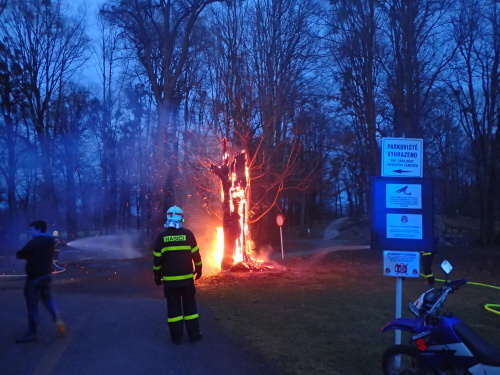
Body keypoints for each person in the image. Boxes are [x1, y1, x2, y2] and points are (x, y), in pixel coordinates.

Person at [153, 206, 203, 344]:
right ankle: (194, 335)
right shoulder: (188, 234)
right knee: (190, 306)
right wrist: (199, 269)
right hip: (187, 280)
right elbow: (196, 254)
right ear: (181, 217)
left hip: (170, 282)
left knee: (173, 307)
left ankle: (176, 337)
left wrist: (157, 275)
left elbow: (157, 259)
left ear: (168, 217)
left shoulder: (162, 237)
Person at [15, 220, 66, 343]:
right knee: (47, 300)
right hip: (46, 276)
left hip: (34, 279)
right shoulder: (50, 241)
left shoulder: (33, 243)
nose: (30, 232)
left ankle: (31, 333)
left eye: (32, 230)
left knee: (32, 306)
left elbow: (19, 254)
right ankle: (58, 321)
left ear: (39, 229)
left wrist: (28, 255)